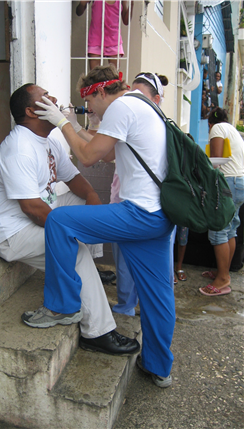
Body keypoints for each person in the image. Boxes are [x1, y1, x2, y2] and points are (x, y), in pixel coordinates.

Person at [32, 65, 175, 388]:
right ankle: (159, 367)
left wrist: (62, 122)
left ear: (99, 92)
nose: (90, 113)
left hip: (138, 214)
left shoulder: (121, 106)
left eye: (90, 104)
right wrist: (75, 127)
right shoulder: (143, 104)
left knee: (59, 220)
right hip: (159, 215)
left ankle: (63, 306)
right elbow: (108, 153)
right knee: (158, 295)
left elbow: (87, 157)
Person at [0, 83, 139, 356]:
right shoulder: (18, 147)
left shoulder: (49, 139)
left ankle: (90, 267)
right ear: (31, 111)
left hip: (40, 212)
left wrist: (91, 198)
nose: (53, 98)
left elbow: (74, 179)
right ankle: (98, 332)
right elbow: (31, 208)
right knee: (73, 251)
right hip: (8, 230)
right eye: (45, 97)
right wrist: (69, 234)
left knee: (86, 205)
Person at [111, 72, 169, 315]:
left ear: (156, 99)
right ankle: (128, 306)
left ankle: (132, 308)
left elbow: (97, 154)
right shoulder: (143, 120)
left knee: (144, 269)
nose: (134, 100)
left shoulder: (156, 124)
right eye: (131, 93)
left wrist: (66, 125)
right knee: (126, 265)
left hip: (144, 208)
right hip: (131, 203)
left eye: (141, 96)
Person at [200, 107, 244, 296]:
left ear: (210, 124)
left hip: (229, 184)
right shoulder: (232, 130)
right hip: (239, 182)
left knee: (218, 231)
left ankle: (223, 279)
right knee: (230, 230)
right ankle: (222, 271)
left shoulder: (217, 129)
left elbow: (215, 161)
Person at [76, 0, 134, 70]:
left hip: (114, 40)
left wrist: (131, 4)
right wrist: (82, 3)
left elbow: (126, 21)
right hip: (96, 39)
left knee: (113, 78)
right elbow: (79, 12)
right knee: (95, 76)